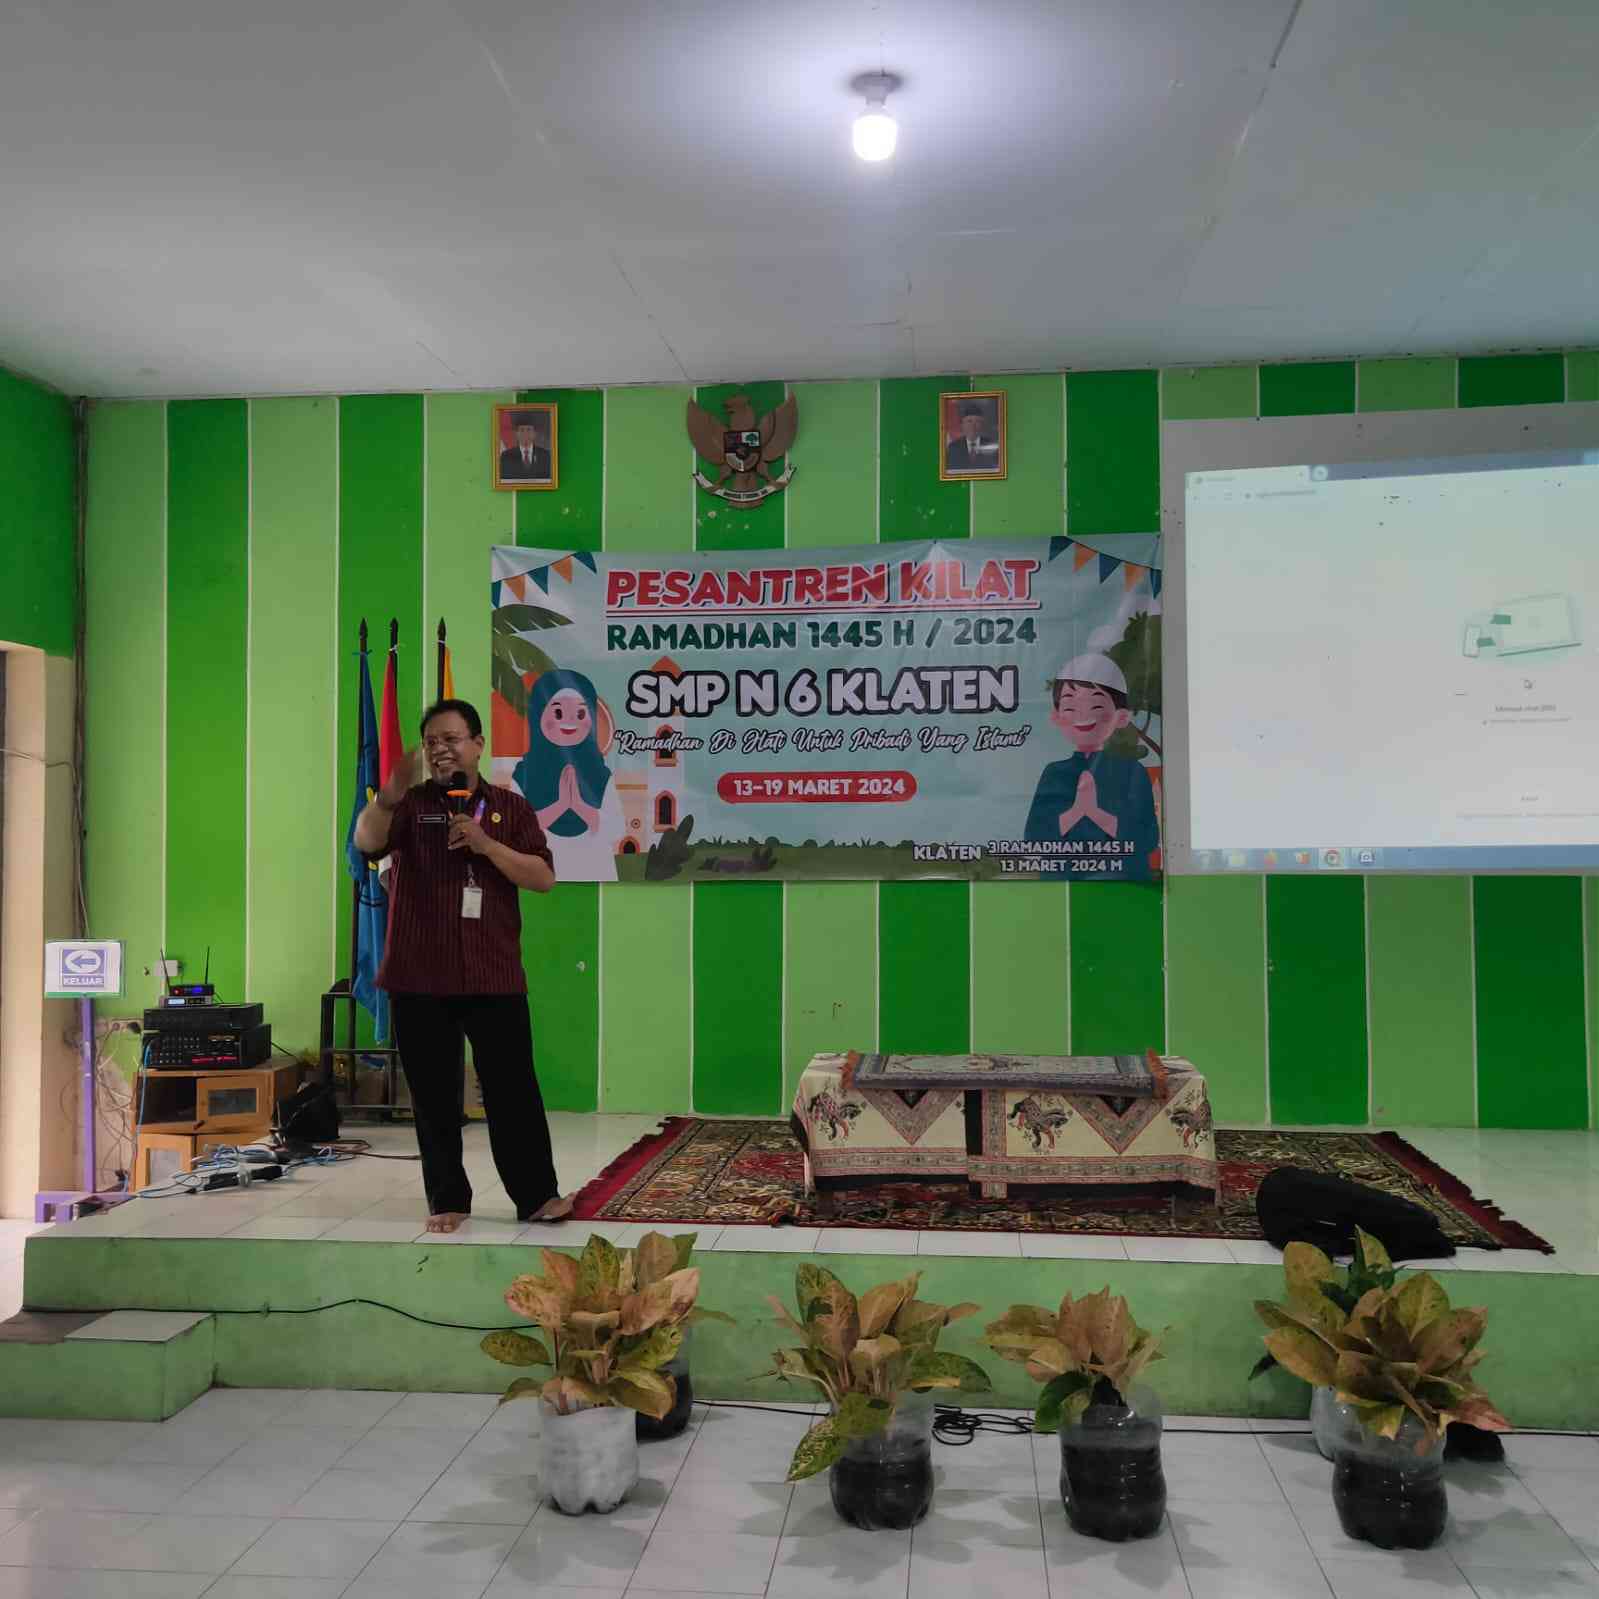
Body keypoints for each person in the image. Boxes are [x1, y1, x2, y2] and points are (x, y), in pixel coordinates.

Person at [354, 697, 571, 1232]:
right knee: (432, 1094)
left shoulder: (510, 808)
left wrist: (485, 843)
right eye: (432, 742)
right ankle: (447, 1199)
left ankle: (537, 1196)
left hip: (491, 973)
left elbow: (542, 878)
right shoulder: (408, 803)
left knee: (513, 1089)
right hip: (419, 973)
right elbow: (366, 841)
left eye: (451, 738)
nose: (441, 749)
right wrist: (387, 795)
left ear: (477, 744)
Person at [1022, 654, 1159, 879]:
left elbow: (1147, 839)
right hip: (1063, 887)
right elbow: (1034, 838)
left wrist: (1096, 813)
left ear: (1122, 717)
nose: (1083, 715)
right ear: (1056, 716)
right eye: (1070, 707)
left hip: (1123, 886)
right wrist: (1076, 812)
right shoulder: (1054, 773)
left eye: (1096, 705)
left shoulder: (1133, 771)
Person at [513, 669, 625, 881]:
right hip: (541, 874)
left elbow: (617, 829)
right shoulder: (524, 773)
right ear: (538, 716)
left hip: (596, 869)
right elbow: (516, 829)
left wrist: (580, 807)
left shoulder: (600, 773)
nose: (570, 722)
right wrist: (560, 806)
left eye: (580, 714)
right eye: (558, 713)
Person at [945, 401, 1000, 472]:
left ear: (982, 425)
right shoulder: (953, 447)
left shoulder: (992, 445)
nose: (973, 426)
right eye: (969, 421)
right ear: (962, 425)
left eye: (977, 421)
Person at [499, 412, 551, 482]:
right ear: (516, 434)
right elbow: (504, 481)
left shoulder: (545, 455)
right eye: (522, 430)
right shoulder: (506, 456)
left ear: (534, 433)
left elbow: (547, 480)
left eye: (529, 429)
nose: (525, 433)